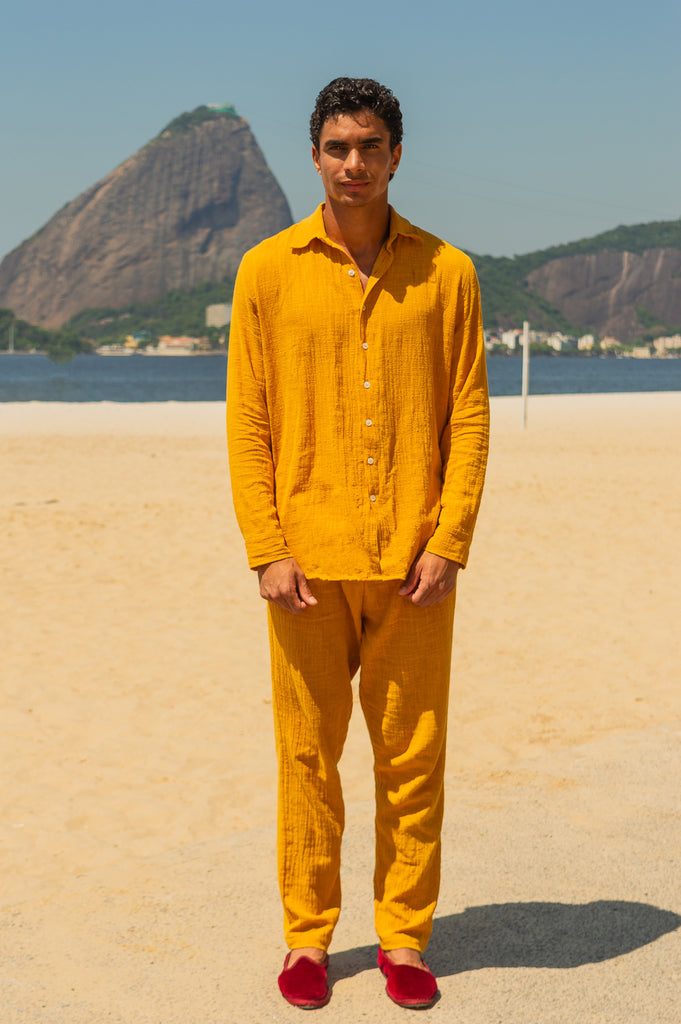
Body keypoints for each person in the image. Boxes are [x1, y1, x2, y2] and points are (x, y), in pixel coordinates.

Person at [227, 77, 489, 1010]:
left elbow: (467, 415)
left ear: (395, 155)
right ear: (314, 156)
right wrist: (266, 547)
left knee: (411, 762)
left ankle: (405, 941)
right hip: (306, 565)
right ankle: (307, 939)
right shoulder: (266, 269)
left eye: (368, 146)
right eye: (336, 147)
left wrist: (450, 540)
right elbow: (248, 420)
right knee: (306, 759)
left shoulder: (447, 273)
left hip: (416, 567)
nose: (352, 164)